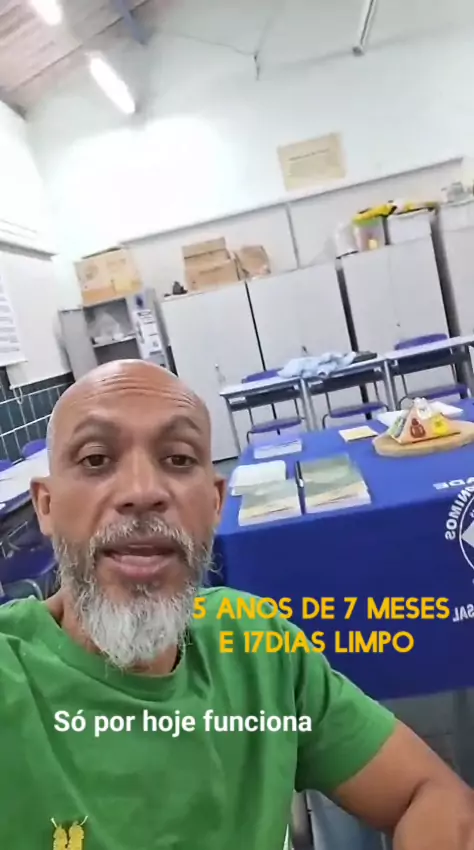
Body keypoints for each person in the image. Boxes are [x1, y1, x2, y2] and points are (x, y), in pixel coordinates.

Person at [0, 359, 472, 849]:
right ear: (46, 506)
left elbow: (428, 794)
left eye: (177, 458)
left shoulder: (257, 649)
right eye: (96, 459)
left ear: (215, 503)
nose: (142, 492)